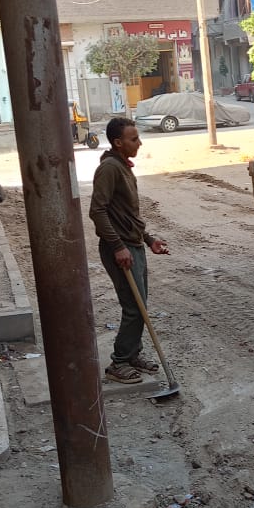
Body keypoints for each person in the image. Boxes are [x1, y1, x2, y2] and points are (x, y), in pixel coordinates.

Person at [89, 117, 170, 384]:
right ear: (118, 142)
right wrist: (118, 246)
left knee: (140, 305)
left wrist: (148, 239)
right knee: (134, 307)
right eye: (133, 139)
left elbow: (126, 214)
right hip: (120, 249)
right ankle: (120, 362)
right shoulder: (109, 169)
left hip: (132, 245)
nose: (139, 143)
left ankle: (132, 353)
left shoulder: (123, 166)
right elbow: (97, 211)